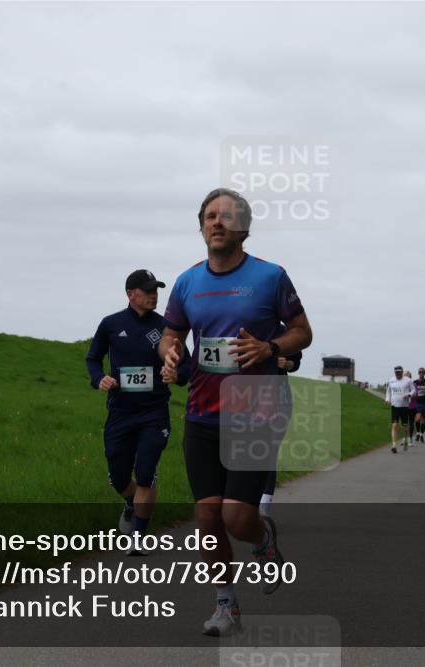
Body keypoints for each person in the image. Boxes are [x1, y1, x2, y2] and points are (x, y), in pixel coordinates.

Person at [159, 188, 312, 637]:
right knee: (207, 518)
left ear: (244, 228)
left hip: (256, 410)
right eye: (210, 216)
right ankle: (226, 606)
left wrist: (270, 346)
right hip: (202, 412)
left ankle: (262, 537)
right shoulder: (187, 282)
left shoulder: (270, 277)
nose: (217, 222)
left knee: (235, 517)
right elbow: (172, 334)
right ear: (201, 225)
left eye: (227, 216)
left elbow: (303, 332)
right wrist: (171, 354)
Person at [86, 269, 190, 556]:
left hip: (154, 413)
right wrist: (99, 379)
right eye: (147, 291)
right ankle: (131, 502)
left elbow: (186, 366)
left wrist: (176, 375)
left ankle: (139, 537)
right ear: (131, 294)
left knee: (145, 473)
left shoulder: (167, 329)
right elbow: (93, 358)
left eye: (156, 290)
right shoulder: (111, 324)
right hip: (120, 412)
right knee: (118, 477)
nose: (154, 295)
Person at [260, 334, 303, 518]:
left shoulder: (285, 331)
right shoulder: (245, 324)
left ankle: (263, 509)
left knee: (269, 451)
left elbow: (295, 362)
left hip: (280, 399)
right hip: (248, 395)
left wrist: (288, 365)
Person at [385, 365, 414, 452]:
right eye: (396, 372)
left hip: (404, 406)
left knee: (405, 427)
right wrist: (387, 399)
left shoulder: (408, 380)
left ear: (402, 372)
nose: (397, 374)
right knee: (394, 425)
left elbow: (414, 390)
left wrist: (409, 395)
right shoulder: (391, 380)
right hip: (394, 406)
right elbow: (388, 391)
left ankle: (405, 440)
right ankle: (394, 445)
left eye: (399, 372)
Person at [410, 367, 425, 443]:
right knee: (417, 419)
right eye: (420, 372)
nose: (421, 373)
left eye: (423, 372)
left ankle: (422, 434)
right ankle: (417, 433)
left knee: (423, 420)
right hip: (417, 403)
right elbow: (411, 391)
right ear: (418, 373)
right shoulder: (415, 382)